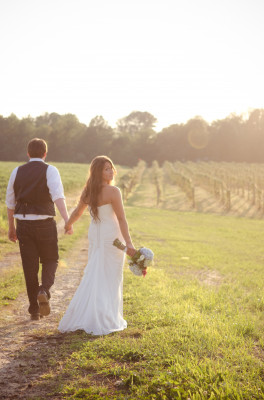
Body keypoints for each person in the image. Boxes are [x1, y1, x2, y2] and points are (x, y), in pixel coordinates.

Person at [58, 155, 136, 335]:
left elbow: (77, 212)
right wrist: (129, 243)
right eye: (106, 169)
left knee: (96, 272)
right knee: (108, 275)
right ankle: (103, 316)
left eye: (111, 168)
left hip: (97, 233)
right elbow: (122, 219)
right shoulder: (113, 191)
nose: (111, 171)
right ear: (98, 172)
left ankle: (93, 313)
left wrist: (69, 224)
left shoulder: (88, 191)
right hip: (110, 236)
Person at [6, 138, 72, 321]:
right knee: (51, 259)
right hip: (44, 223)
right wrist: (67, 220)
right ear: (45, 153)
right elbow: (58, 197)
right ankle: (44, 290)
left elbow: (10, 203)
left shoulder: (16, 171)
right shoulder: (50, 170)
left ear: (28, 153)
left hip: (23, 224)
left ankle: (34, 310)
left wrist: (11, 227)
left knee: (30, 267)